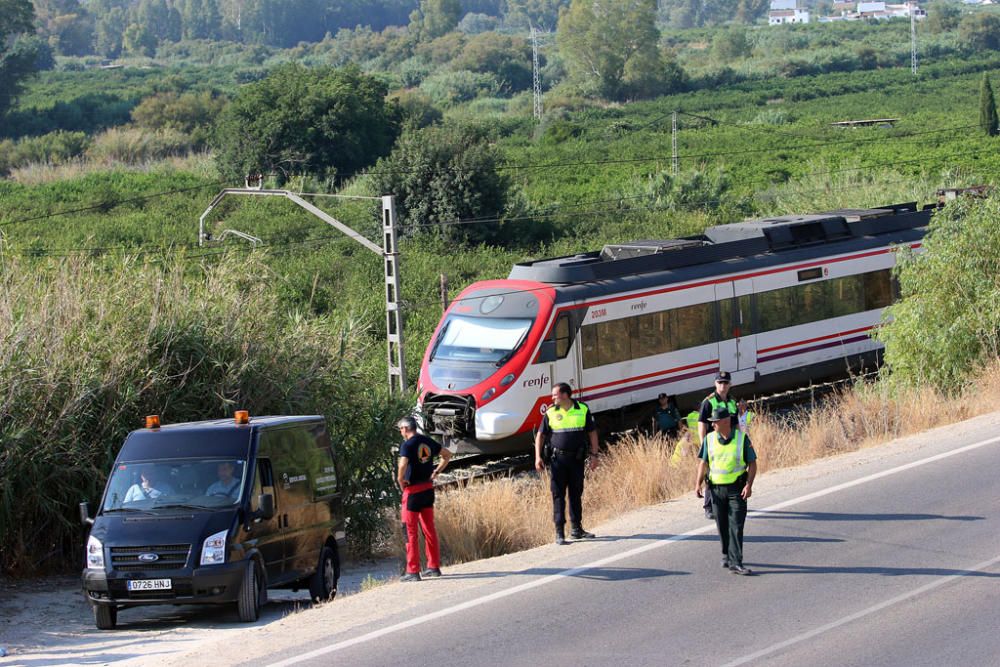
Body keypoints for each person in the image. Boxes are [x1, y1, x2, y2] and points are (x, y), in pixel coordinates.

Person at [695, 405, 757, 576]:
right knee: (722, 526)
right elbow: (703, 463)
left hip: (737, 490)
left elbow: (752, 463)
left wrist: (749, 485)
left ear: (725, 421)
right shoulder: (709, 439)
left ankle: (736, 562)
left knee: (736, 525)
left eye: (715, 422)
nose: (713, 425)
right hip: (716, 491)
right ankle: (726, 555)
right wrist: (698, 484)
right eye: (712, 422)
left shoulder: (741, 439)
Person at [534, 382, 599, 545]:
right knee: (558, 495)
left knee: (576, 494)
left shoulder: (582, 409)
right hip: (558, 461)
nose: (552, 398)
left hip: (577, 460)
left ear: (565, 395)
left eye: (555, 395)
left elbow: (592, 433)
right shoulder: (550, 412)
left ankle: (577, 530)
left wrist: (594, 455)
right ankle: (559, 533)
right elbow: (540, 436)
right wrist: (538, 457)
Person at [397, 416, 452, 582]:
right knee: (429, 529)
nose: (400, 432)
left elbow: (402, 465)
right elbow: (447, 455)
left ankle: (413, 571)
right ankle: (433, 567)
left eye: (400, 429)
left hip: (412, 492)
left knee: (410, 531)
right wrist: (437, 472)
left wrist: (400, 480)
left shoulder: (407, 445)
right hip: (428, 490)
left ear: (406, 429)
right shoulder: (427, 441)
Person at [697, 371, 739, 520]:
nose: (723, 385)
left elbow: (736, 424)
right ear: (715, 384)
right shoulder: (708, 402)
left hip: (729, 443)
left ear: (730, 384)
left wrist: (739, 441)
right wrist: (704, 445)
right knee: (711, 475)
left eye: (726, 382)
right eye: (720, 382)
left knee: (727, 472)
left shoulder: (733, 402)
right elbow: (701, 424)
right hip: (713, 443)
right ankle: (708, 506)